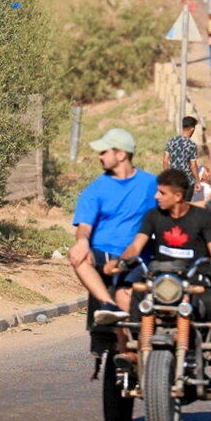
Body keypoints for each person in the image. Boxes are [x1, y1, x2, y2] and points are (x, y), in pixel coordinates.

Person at [104, 169, 211, 388]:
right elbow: (136, 246)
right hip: (162, 278)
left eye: (162, 193)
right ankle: (133, 352)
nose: (157, 197)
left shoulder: (201, 217)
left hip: (194, 277)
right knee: (138, 293)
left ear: (178, 196)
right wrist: (120, 262)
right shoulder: (154, 216)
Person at [69, 128, 158, 325]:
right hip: (103, 254)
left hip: (137, 255)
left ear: (121, 154)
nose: (99, 157)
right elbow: (84, 226)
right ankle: (107, 304)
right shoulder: (95, 189)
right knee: (77, 255)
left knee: (127, 296)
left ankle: (130, 350)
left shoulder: (151, 183)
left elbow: (173, 208)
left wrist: (209, 203)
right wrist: (82, 242)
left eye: (104, 152)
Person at [162, 116, 200, 190]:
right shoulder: (191, 145)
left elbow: (165, 160)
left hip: (174, 180)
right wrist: (198, 181)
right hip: (187, 181)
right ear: (192, 128)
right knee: (186, 201)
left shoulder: (172, 141)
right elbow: (193, 165)